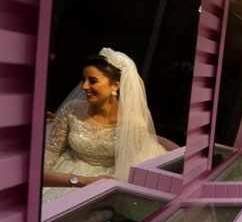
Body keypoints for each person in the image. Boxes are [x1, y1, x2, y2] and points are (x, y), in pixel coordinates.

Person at [42, 48, 166, 202]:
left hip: (104, 182)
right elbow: (52, 150)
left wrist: (104, 188)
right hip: (66, 173)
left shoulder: (134, 123)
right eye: (83, 80)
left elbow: (127, 167)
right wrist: (40, 178)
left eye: (92, 81)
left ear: (115, 86)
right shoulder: (72, 109)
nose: (84, 86)